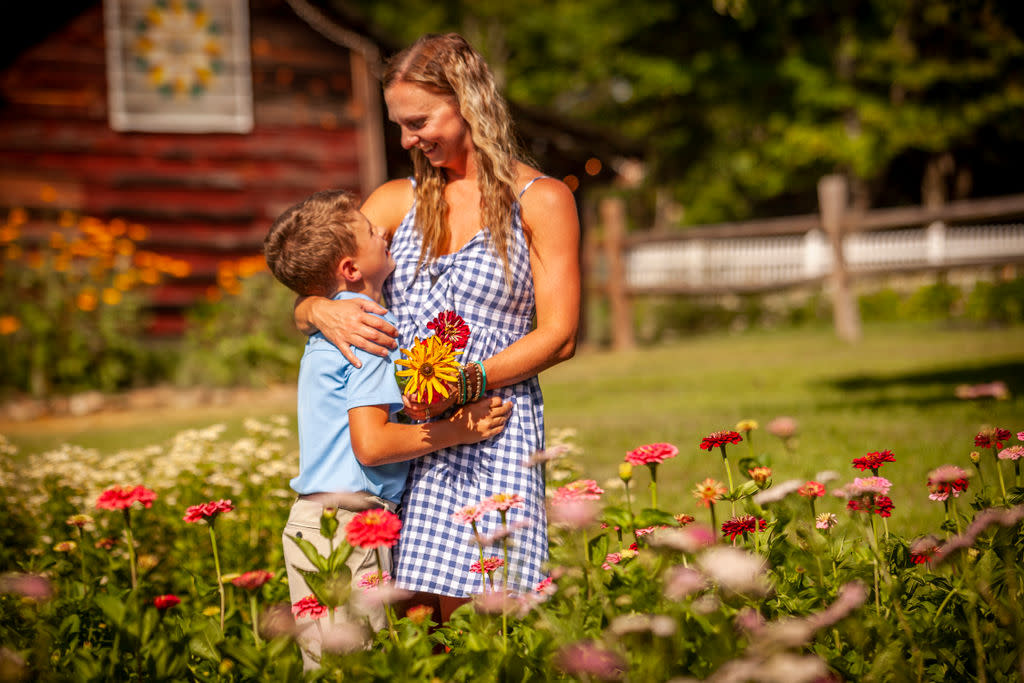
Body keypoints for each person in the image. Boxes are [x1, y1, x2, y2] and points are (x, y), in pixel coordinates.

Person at [294, 33, 580, 622]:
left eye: (419, 120)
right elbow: (319, 283)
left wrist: (464, 385)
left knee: (483, 612)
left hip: (490, 429)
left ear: (469, 102)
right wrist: (317, 310)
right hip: (402, 437)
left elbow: (560, 335)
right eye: (399, 126)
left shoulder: (541, 200)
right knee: (398, 613)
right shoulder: (396, 201)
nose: (407, 140)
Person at [264, 188, 512, 667]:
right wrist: (459, 431)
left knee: (329, 664)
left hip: (316, 523)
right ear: (350, 269)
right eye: (370, 230)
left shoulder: (331, 328)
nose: (384, 230)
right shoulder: (372, 332)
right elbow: (372, 445)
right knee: (359, 666)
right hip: (349, 526)